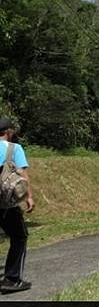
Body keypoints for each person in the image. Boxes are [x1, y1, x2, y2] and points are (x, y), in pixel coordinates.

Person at [0, 117, 35, 294]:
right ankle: (11, 279)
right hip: (6, 204)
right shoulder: (14, 148)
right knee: (19, 236)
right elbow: (21, 173)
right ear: (9, 131)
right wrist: (29, 196)